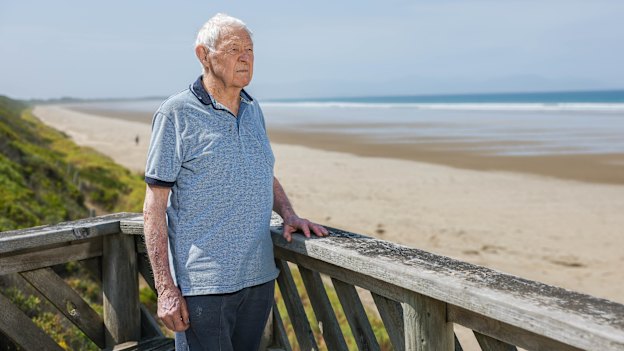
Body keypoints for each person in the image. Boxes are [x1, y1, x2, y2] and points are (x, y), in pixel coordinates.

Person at [142, 13, 328, 351]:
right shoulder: (176, 114)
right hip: (204, 288)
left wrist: (289, 213)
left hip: (258, 278)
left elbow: (261, 171)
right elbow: (153, 208)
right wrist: (166, 288)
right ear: (204, 55)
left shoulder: (253, 109)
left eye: (250, 49)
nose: (245, 58)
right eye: (233, 49)